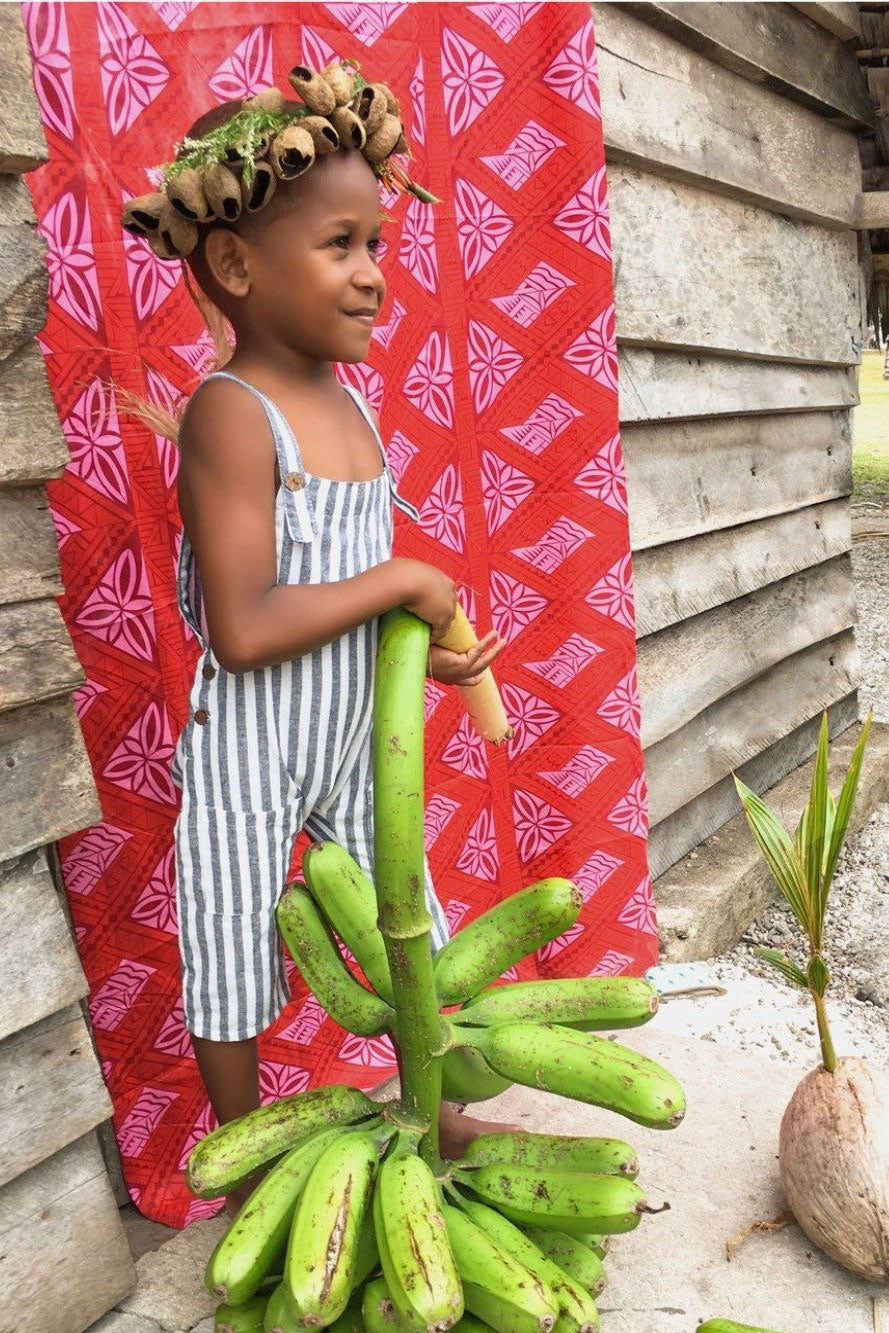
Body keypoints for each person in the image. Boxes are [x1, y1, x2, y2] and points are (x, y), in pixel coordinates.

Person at [119, 62, 519, 1218]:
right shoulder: (230, 415)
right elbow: (244, 628)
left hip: (357, 719)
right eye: (339, 244)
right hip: (257, 737)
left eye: (378, 244)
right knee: (234, 934)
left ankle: (433, 1106)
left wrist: (421, 653)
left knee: (411, 919)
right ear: (237, 267)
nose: (372, 276)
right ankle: (249, 1156)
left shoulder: (352, 408)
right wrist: (406, 574)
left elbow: (350, 591)